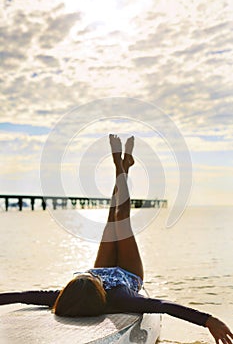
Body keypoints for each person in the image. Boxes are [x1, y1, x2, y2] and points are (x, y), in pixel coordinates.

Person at [0, 134, 232, 344]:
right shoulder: (121, 299)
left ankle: (121, 168)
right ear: (100, 292)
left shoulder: (65, 295)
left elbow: (22, 296)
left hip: (101, 267)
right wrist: (208, 320)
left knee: (112, 216)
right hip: (128, 273)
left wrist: (95, 274)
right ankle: (123, 168)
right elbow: (162, 306)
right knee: (122, 219)